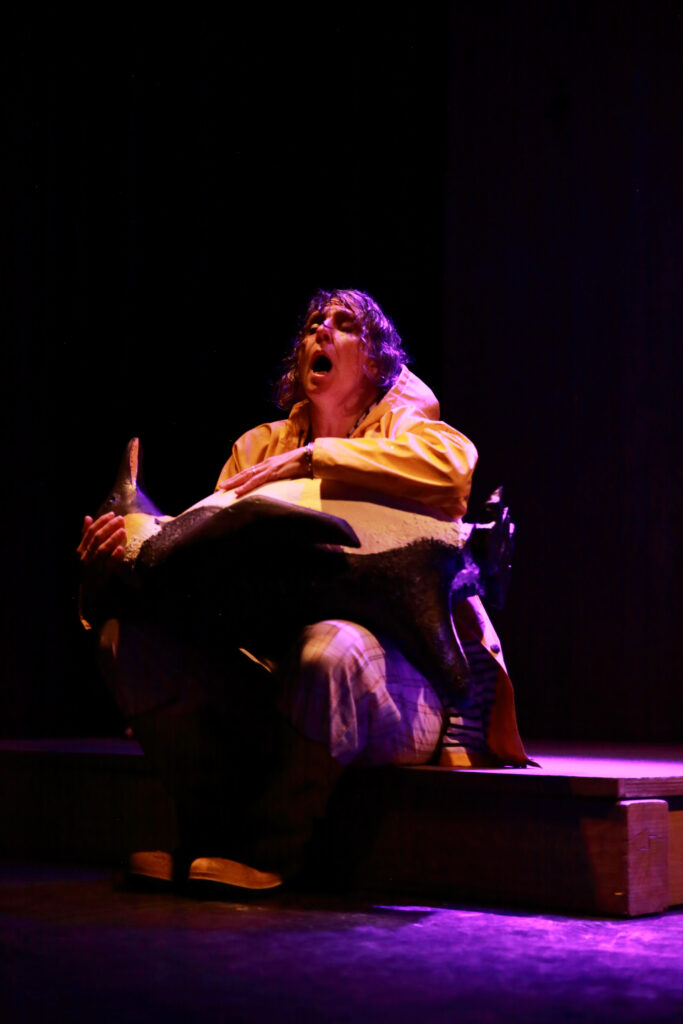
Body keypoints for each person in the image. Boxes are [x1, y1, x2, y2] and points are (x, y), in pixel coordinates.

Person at [78, 288, 530, 893]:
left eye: (344, 324)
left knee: (330, 649)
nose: (322, 330)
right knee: (126, 643)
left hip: (400, 685)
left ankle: (270, 852)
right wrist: (119, 558)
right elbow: (203, 567)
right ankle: (205, 837)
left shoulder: (415, 432)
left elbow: (453, 476)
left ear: (375, 362)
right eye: (315, 321)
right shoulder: (256, 448)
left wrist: (316, 460)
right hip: (273, 671)